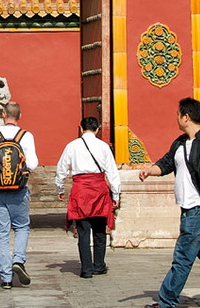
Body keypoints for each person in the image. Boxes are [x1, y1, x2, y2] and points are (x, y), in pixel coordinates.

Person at [138, 97, 200, 308]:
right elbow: (166, 163)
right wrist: (149, 171)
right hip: (186, 209)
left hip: (199, 208)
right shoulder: (179, 142)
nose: (176, 117)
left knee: (183, 257)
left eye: (178, 114)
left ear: (186, 117)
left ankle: (166, 301)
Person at [0, 101, 39, 289]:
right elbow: (33, 164)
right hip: (19, 190)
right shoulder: (26, 136)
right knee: (22, 227)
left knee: (1, 232)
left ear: (3, 114)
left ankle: (6, 278)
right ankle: (18, 260)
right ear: (20, 115)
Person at [56, 116, 121, 278]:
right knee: (99, 230)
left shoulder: (71, 146)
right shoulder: (103, 147)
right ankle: (99, 265)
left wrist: (60, 188)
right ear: (97, 129)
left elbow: (61, 169)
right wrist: (116, 193)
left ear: (81, 128)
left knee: (83, 231)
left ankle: (86, 269)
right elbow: (112, 171)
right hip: (99, 191)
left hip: (81, 191)